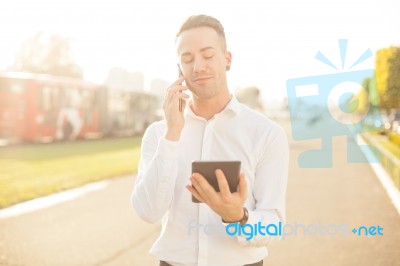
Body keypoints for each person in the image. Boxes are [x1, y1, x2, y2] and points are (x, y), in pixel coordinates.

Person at [131, 15, 289, 266]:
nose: (198, 66)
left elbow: (274, 226)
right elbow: (148, 212)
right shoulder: (158, 134)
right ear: (179, 69)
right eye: (187, 59)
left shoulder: (266, 133)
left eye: (207, 55)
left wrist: (239, 217)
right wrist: (172, 135)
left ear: (227, 60)